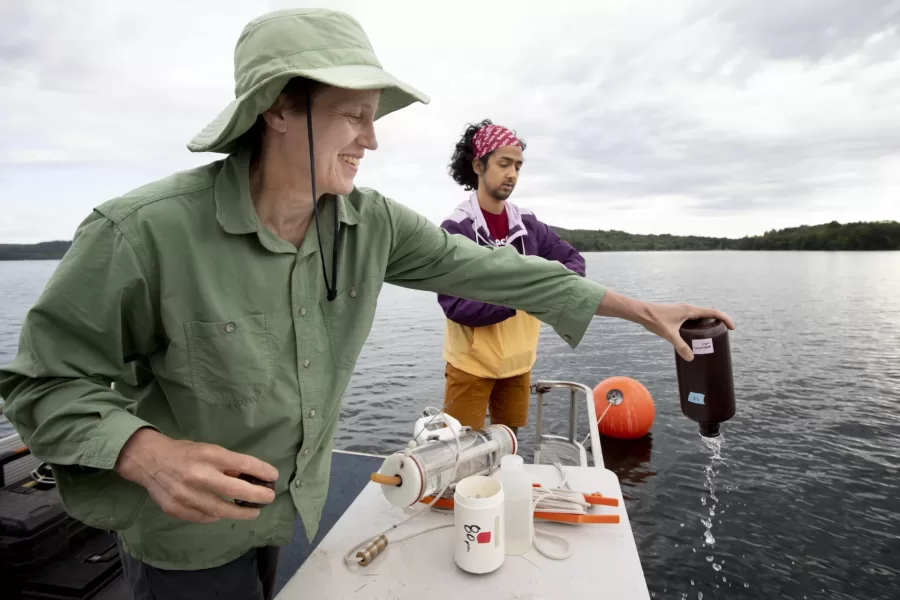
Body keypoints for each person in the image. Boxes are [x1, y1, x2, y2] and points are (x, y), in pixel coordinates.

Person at [0, 8, 734, 600]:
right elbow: (41, 383)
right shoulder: (140, 234)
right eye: (354, 115)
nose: (372, 139)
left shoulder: (370, 223)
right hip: (183, 545)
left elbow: (501, 274)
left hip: (292, 517)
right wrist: (144, 452)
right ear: (281, 109)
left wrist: (641, 310)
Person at [438, 120, 585, 434]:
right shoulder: (457, 228)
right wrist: (522, 298)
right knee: (461, 450)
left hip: (519, 363)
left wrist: (551, 294)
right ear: (478, 165)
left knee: (509, 444)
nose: (512, 174)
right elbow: (455, 304)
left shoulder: (528, 224)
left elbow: (573, 262)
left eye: (518, 166)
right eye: (503, 164)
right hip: (470, 365)